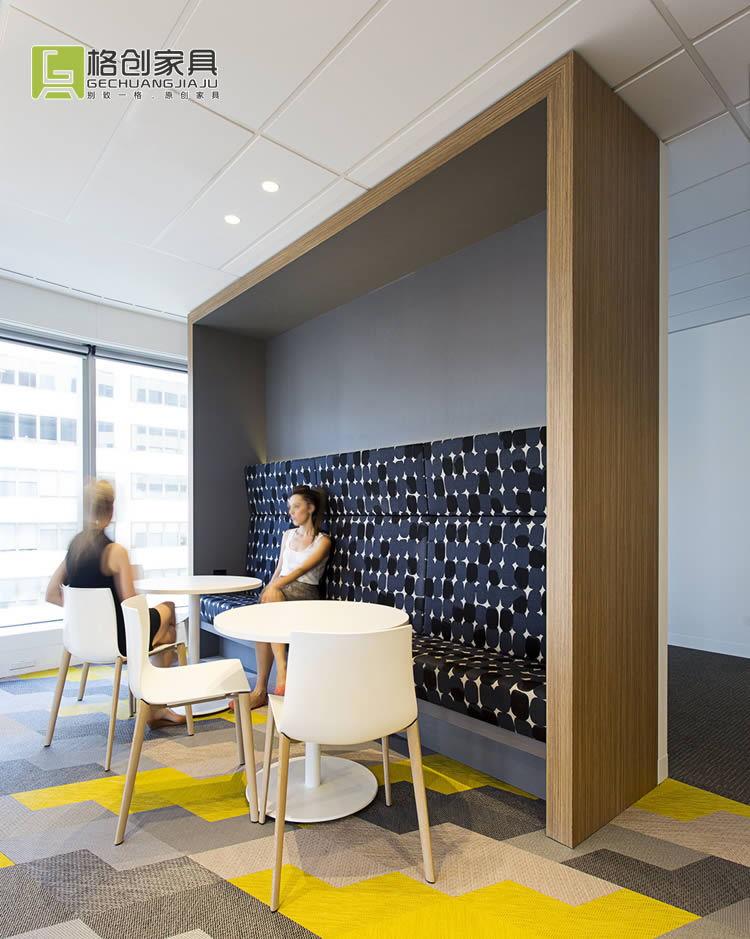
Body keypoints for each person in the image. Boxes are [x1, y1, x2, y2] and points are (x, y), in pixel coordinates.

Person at [45, 479, 185, 729]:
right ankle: (155, 706)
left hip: (82, 639)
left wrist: (86, 613)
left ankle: (157, 703)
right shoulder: (115, 552)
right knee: (170, 611)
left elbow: (51, 594)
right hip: (120, 640)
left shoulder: (74, 549)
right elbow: (133, 609)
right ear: (110, 510)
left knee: (165, 634)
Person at [249, 484, 331, 708]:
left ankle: (281, 669)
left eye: (296, 507)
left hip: (305, 592)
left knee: (271, 599)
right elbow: (280, 568)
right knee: (263, 612)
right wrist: (269, 587)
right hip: (281, 588)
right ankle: (260, 690)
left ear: (310, 508)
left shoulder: (322, 541)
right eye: (289, 507)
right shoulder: (287, 535)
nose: (291, 512)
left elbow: (301, 570)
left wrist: (274, 588)